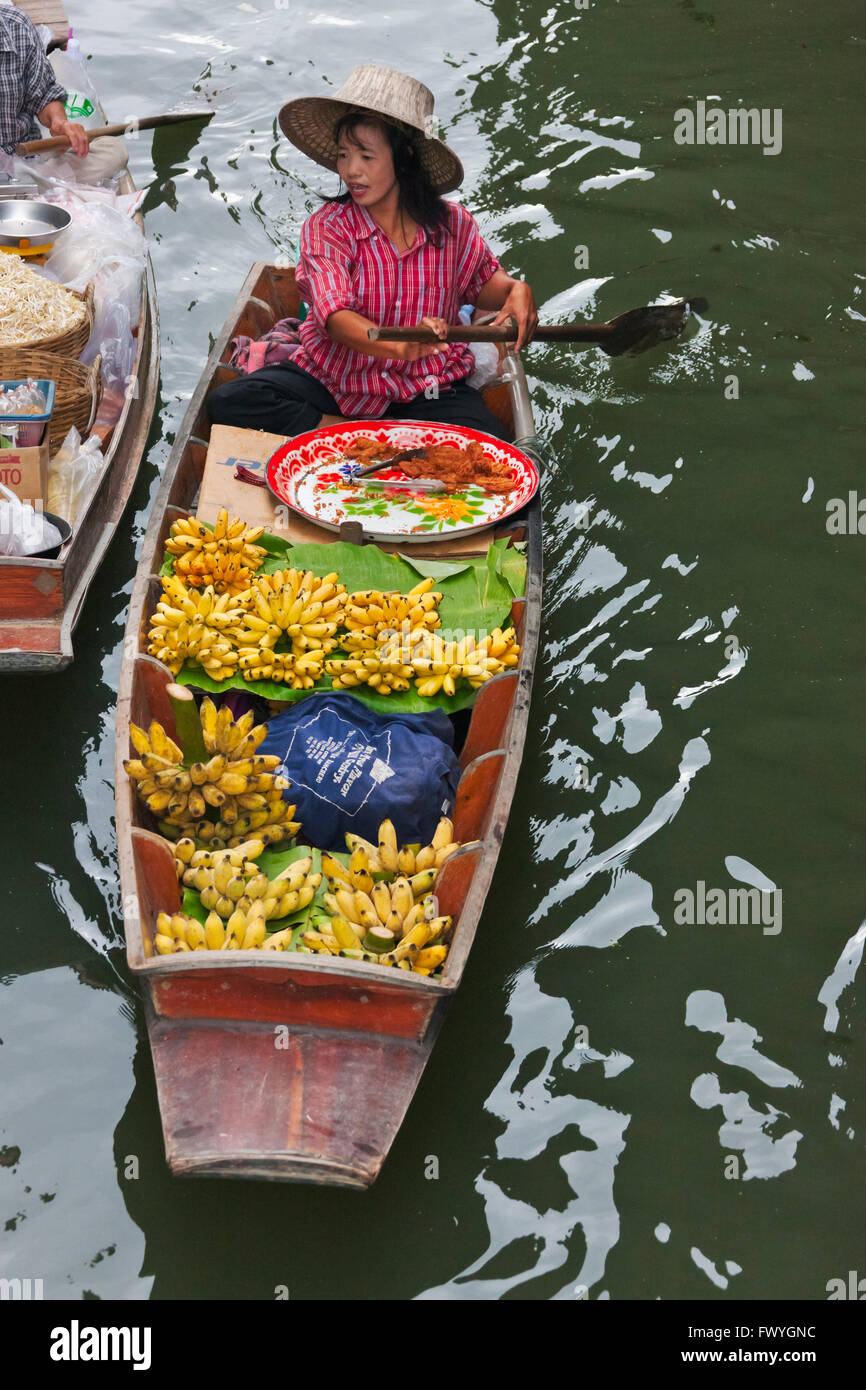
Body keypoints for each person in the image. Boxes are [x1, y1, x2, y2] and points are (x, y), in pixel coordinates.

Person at [207, 65, 538, 442]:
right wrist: (397, 344)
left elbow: (484, 284)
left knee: (493, 447)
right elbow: (334, 316)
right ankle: (354, 435)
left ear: (405, 157)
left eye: (366, 156)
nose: (350, 170)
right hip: (336, 382)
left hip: (426, 387)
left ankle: (374, 436)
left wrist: (516, 291)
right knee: (233, 400)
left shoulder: (453, 225)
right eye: (344, 155)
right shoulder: (328, 226)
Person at [0, 8, 127, 182]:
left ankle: (37, 180)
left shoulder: (17, 25)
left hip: (23, 157)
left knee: (114, 151)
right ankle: (44, 186)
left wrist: (60, 123)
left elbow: (43, 95)